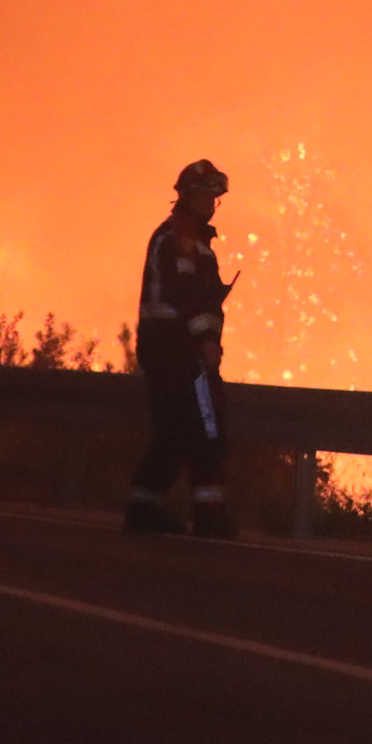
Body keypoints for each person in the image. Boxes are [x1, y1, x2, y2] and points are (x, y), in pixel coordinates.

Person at [127, 158, 239, 539]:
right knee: (207, 430)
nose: (212, 203)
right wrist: (207, 342)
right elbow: (190, 299)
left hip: (176, 355)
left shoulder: (190, 241)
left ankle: (143, 509)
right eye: (207, 194)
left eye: (215, 197)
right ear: (190, 195)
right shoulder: (180, 239)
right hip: (178, 355)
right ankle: (209, 518)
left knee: (174, 433)